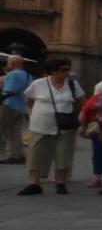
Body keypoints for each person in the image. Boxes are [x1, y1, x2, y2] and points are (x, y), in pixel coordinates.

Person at [18, 59, 86, 195]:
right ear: (53, 71)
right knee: (36, 153)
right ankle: (34, 183)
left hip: (65, 125)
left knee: (63, 153)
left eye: (68, 69)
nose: (67, 73)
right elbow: (29, 100)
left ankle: (61, 182)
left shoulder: (73, 84)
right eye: (63, 70)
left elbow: (81, 101)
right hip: (41, 124)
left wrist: (71, 113)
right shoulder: (39, 84)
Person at [1, 55, 30, 163]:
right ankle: (17, 155)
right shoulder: (27, 75)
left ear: (12, 63)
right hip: (21, 106)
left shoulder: (12, 74)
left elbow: (9, 90)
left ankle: (5, 154)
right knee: (15, 132)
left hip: (9, 104)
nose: (7, 65)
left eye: (8, 63)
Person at [81, 80, 102, 188]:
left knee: (98, 154)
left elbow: (85, 112)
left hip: (97, 130)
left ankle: (97, 177)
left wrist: (83, 126)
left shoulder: (93, 100)